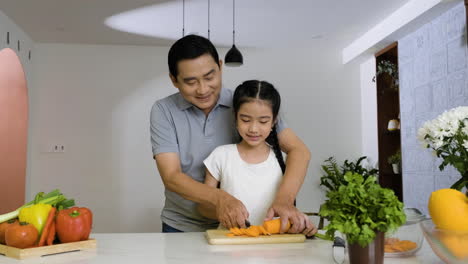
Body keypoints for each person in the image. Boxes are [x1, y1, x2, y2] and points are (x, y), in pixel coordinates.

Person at [150, 34, 311, 233]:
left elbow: (299, 151)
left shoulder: (244, 104)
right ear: (174, 80)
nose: (203, 89)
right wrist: (221, 199)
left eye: (210, 77)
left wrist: (284, 201)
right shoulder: (164, 110)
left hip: (240, 227)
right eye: (191, 82)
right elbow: (171, 176)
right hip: (181, 224)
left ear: (220, 66)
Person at [198, 80, 317, 236]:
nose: (253, 129)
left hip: (273, 249)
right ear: (235, 117)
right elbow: (203, 207)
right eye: (246, 120)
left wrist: (301, 224)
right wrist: (224, 212)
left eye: (263, 121)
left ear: (274, 121)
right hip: (231, 245)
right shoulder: (221, 156)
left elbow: (287, 210)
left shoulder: (283, 158)